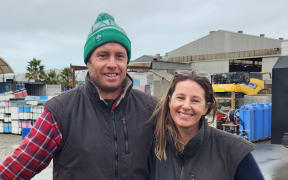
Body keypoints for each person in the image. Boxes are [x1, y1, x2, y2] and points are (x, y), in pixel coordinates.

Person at [0, 13, 158, 180]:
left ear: (127, 62)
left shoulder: (151, 109)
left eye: (119, 56)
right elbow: (14, 170)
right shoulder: (61, 111)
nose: (112, 64)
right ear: (88, 62)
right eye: (103, 55)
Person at [149, 72, 264, 180]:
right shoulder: (153, 147)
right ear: (170, 101)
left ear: (206, 108)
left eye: (195, 100)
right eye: (180, 98)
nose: (186, 106)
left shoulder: (234, 150)